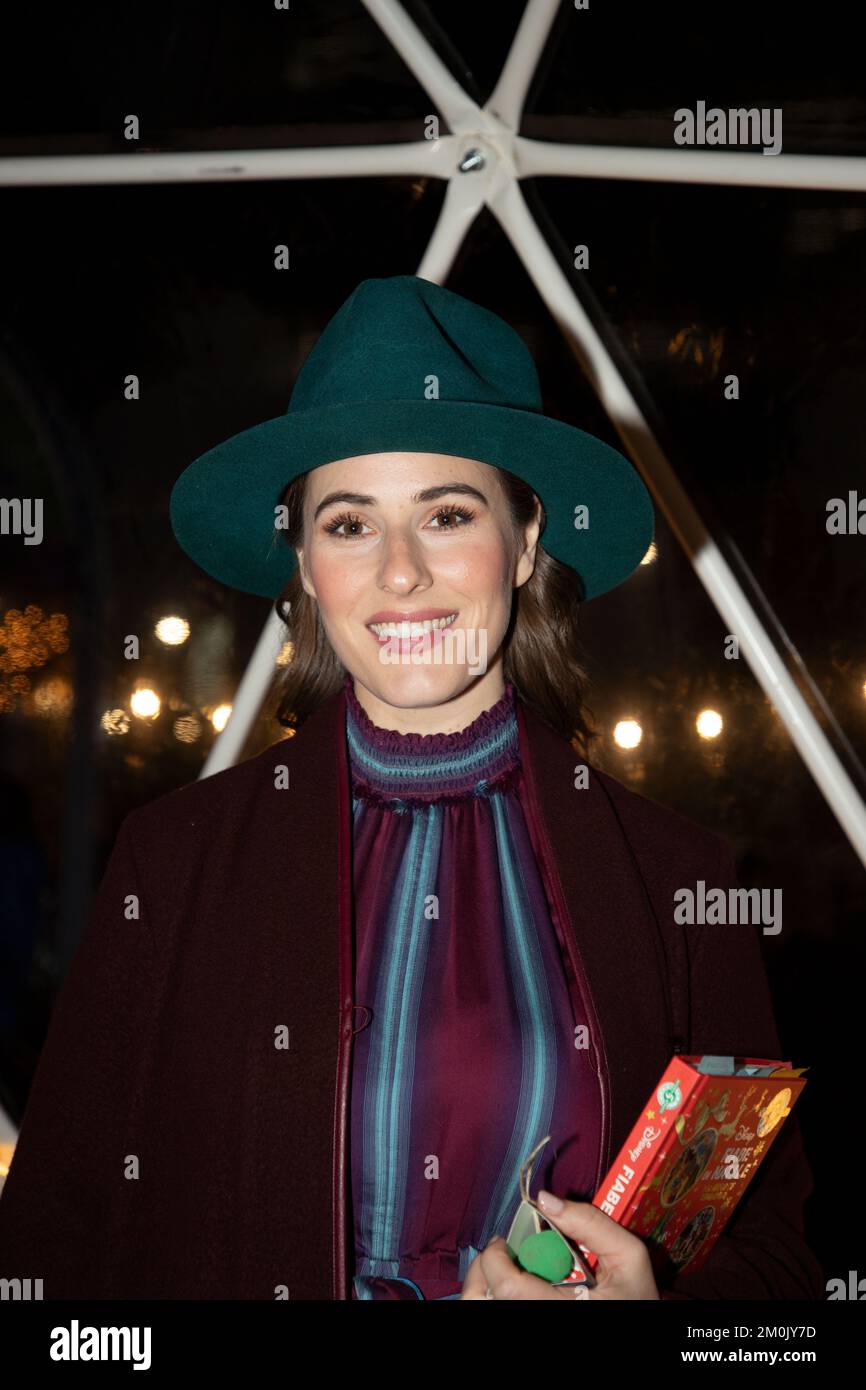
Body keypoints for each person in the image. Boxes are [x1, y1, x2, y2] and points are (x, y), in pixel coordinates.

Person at [0, 275, 823, 1301]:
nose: (398, 573)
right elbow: (54, 1247)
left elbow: (776, 1274)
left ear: (524, 542)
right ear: (300, 561)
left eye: (444, 513)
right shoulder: (170, 864)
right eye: (348, 524)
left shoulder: (672, 876)